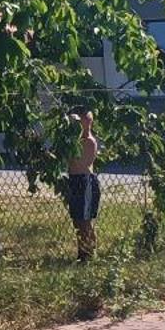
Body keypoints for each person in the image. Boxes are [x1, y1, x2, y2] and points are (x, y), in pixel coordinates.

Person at [66, 110, 102, 262]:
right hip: (74, 180)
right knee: (77, 219)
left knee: (85, 220)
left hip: (85, 181)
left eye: (85, 121)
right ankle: (83, 251)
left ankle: (88, 253)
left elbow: (80, 162)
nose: (81, 124)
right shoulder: (72, 140)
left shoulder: (88, 141)